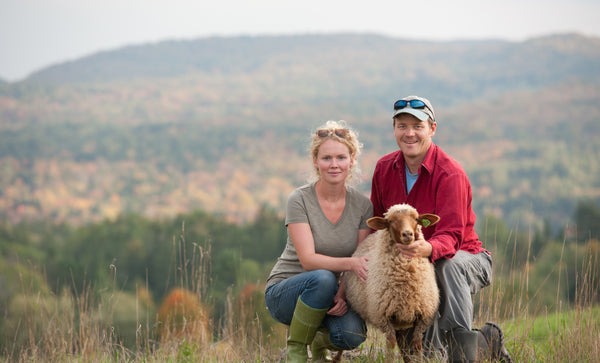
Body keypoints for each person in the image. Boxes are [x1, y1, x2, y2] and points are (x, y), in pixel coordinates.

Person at [370, 95, 512, 363]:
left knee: (444, 265)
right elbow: (377, 221)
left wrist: (428, 248)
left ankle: (463, 355)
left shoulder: (450, 173)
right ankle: (484, 342)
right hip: (413, 260)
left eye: (418, 126)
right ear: (394, 129)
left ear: (432, 129)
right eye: (402, 126)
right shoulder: (384, 168)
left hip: (467, 257)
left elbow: (452, 236)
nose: (409, 133)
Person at [264, 120, 373, 363]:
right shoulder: (299, 199)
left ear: (352, 159)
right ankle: (296, 352)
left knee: (352, 334)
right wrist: (350, 266)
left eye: (341, 157)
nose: (334, 164)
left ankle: (317, 341)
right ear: (315, 161)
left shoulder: (363, 206)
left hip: (332, 293)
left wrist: (343, 294)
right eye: (326, 158)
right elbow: (309, 260)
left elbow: (360, 257)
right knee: (322, 277)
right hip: (288, 292)